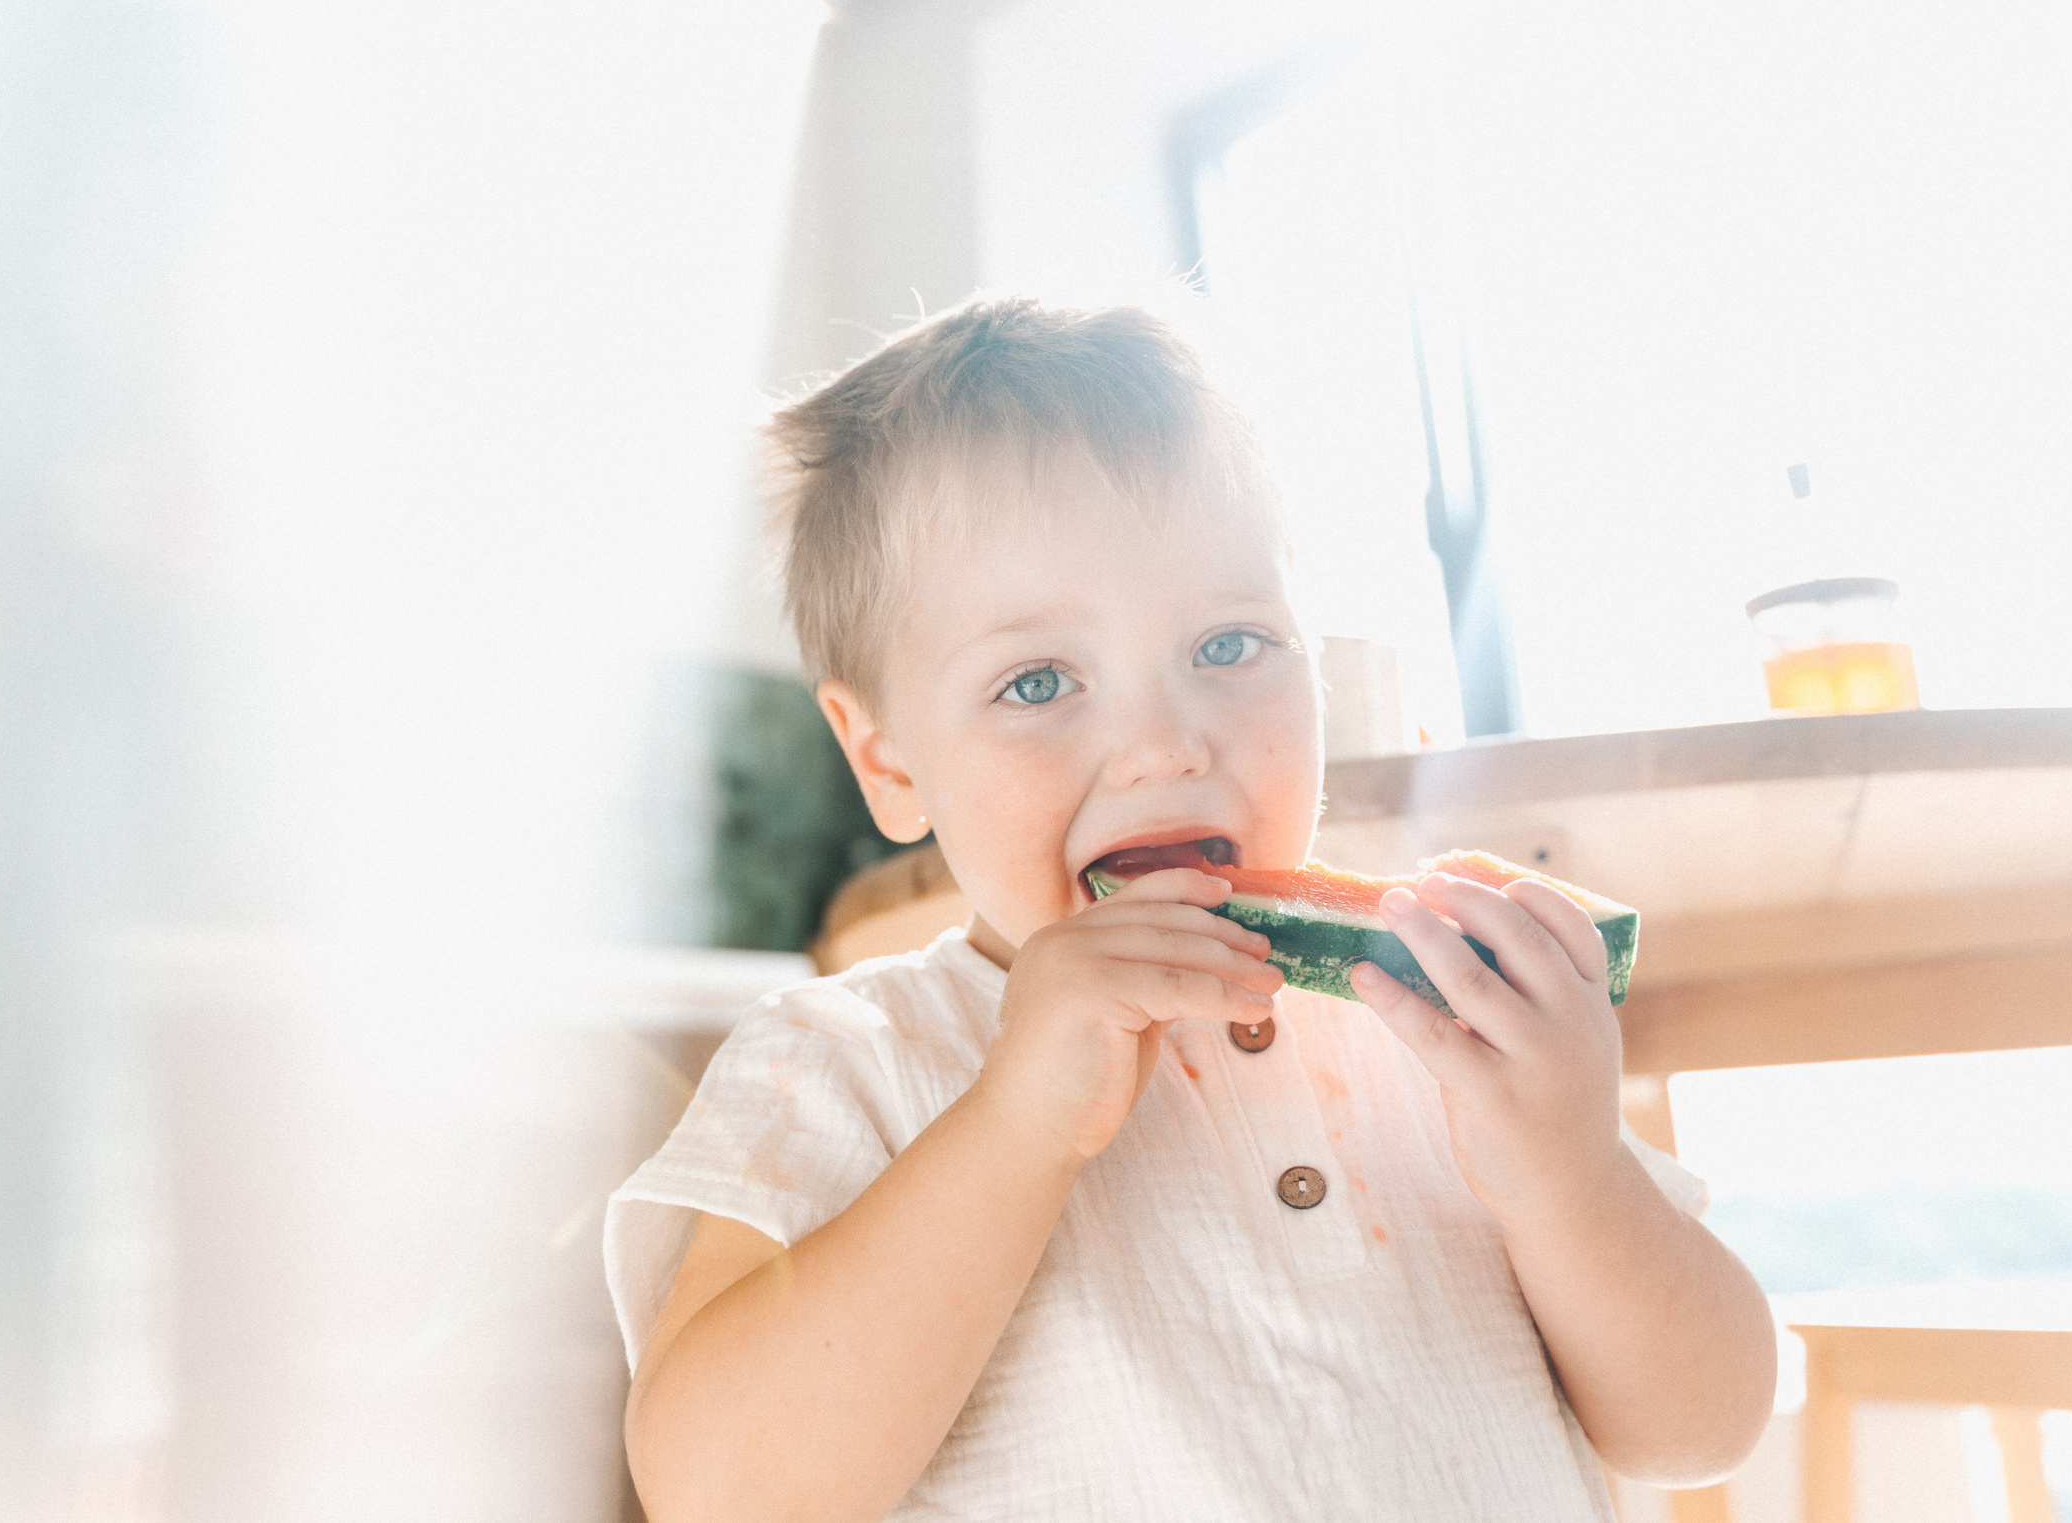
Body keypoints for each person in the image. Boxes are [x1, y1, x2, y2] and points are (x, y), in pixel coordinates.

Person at [607, 298, 1776, 1521]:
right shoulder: (847, 1062)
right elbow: (721, 1492)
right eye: (1037, 682)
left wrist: (1570, 1172)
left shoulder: (1438, 1035)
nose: (1164, 745)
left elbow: (1702, 1428)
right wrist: (1016, 1127)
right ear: (886, 760)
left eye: (1229, 646)